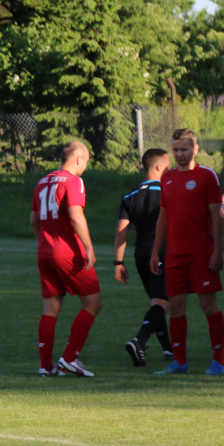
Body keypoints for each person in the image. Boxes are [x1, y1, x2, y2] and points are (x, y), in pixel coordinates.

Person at [150, 128, 224, 375]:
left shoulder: (207, 176)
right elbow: (163, 217)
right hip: (174, 255)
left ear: (195, 149)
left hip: (202, 253)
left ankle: (220, 360)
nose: (180, 154)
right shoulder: (167, 178)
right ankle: (179, 361)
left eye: (184, 149)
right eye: (176, 150)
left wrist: (217, 251)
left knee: (209, 306)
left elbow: (217, 216)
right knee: (177, 307)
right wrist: (155, 251)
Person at [31, 140, 102, 377]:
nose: (86, 166)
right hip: (68, 253)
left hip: (45, 251)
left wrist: (45, 241)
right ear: (79, 159)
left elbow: (34, 221)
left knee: (50, 307)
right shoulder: (74, 181)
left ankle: (45, 365)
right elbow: (75, 215)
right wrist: (88, 247)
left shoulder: (42, 182)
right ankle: (70, 358)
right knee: (93, 303)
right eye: (87, 161)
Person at [113, 148, 173, 366]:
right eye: (168, 165)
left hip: (140, 254)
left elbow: (122, 231)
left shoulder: (130, 197)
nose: (170, 169)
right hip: (162, 252)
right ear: (158, 167)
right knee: (162, 303)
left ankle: (168, 350)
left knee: (156, 301)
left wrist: (118, 262)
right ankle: (138, 341)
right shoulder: (168, 192)